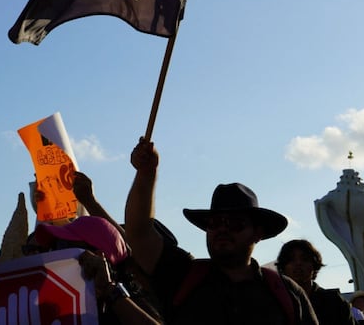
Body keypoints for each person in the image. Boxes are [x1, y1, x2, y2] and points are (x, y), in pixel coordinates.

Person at [124, 137, 318, 325]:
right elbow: (139, 234)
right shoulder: (183, 275)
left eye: (235, 223)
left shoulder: (286, 293)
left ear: (257, 233)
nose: (222, 229)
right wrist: (146, 173)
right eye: (214, 222)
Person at [31, 215, 163, 325]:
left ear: (99, 256)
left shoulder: (133, 307)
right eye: (52, 246)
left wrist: (109, 289)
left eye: (62, 245)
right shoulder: (57, 309)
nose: (54, 253)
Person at [276, 239, 355, 325]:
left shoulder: (334, 302)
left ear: (314, 265)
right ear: (283, 266)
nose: (298, 263)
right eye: (291, 259)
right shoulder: (274, 301)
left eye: (305, 259)